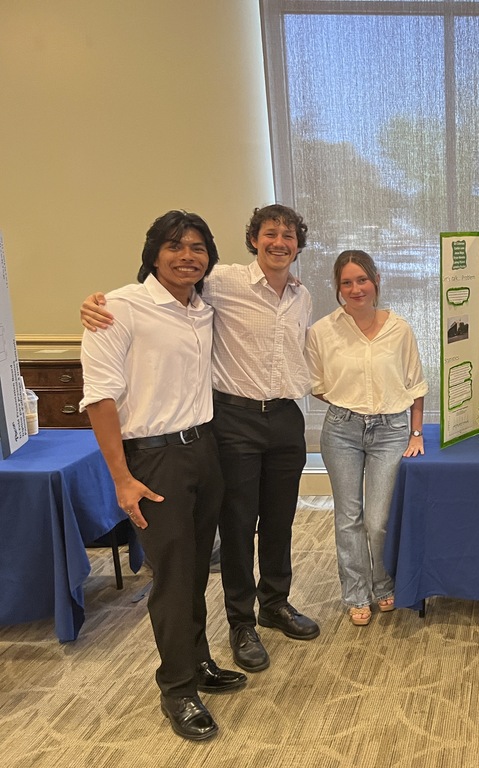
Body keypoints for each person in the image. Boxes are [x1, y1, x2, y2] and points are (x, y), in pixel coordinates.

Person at [81, 204, 320, 674]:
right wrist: (93, 304)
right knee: (236, 525)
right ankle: (241, 622)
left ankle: (276, 602)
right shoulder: (220, 280)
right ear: (253, 239)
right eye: (269, 233)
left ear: (298, 245)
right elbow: (155, 295)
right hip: (233, 418)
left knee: (279, 519)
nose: (279, 242)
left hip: (286, 417)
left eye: (288, 235)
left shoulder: (302, 295)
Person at [80, 211, 246, 741]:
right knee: (172, 578)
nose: (187, 256)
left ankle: (197, 661)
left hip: (203, 450)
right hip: (154, 460)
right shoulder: (117, 308)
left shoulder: (201, 309)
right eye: (175, 246)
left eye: (198, 247)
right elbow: (99, 398)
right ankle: (176, 689)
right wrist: (121, 478)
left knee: (197, 568)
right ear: (154, 253)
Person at [305, 250, 427, 626]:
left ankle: (383, 583)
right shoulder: (322, 331)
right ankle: (356, 592)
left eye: (362, 280)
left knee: (378, 519)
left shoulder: (399, 328)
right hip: (341, 429)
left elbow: (416, 384)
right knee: (348, 516)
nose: (355, 288)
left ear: (376, 281)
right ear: (337, 287)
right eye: (346, 282)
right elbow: (317, 385)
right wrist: (351, 403)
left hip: (391, 430)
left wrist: (416, 431)